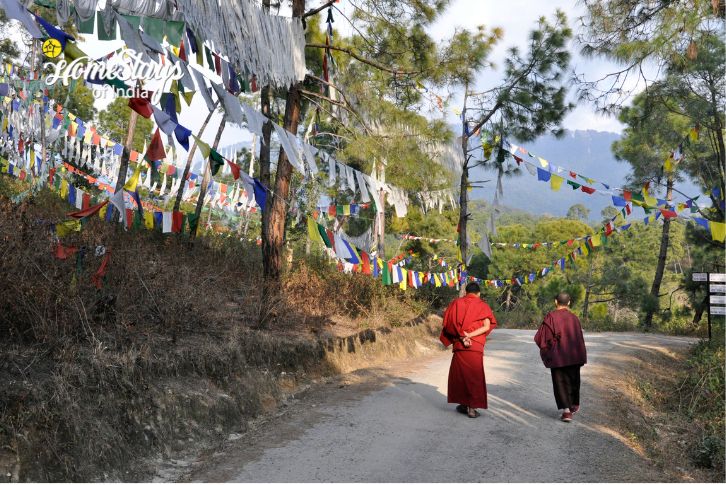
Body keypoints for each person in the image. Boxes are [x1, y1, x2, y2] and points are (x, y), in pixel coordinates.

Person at [440, 282, 497, 418]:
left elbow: (448, 324)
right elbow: (486, 327)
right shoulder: (482, 305)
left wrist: (462, 335)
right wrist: (470, 335)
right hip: (475, 346)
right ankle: (471, 408)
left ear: (466, 292)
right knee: (475, 377)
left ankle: (464, 404)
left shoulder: (456, 303)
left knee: (461, 376)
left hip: (460, 345)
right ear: (478, 293)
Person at [534, 292, 587, 422]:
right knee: (573, 380)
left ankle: (567, 411)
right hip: (574, 355)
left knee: (560, 383)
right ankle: (574, 404)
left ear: (555, 302)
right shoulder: (574, 318)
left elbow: (541, 338)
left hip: (558, 356)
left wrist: (549, 350)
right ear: (569, 303)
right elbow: (579, 338)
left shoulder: (551, 317)